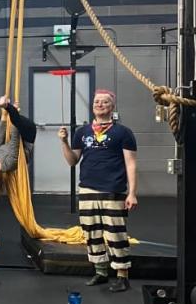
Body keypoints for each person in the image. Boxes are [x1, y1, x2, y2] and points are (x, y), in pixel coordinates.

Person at [59, 89, 138, 292]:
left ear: (112, 107)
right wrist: (64, 142)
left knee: (116, 233)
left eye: (104, 102)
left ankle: (122, 275)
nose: (99, 104)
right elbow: (72, 161)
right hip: (87, 189)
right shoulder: (82, 132)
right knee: (91, 232)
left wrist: (132, 192)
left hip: (114, 190)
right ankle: (101, 272)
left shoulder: (123, 132)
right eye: (96, 102)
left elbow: (130, 164)